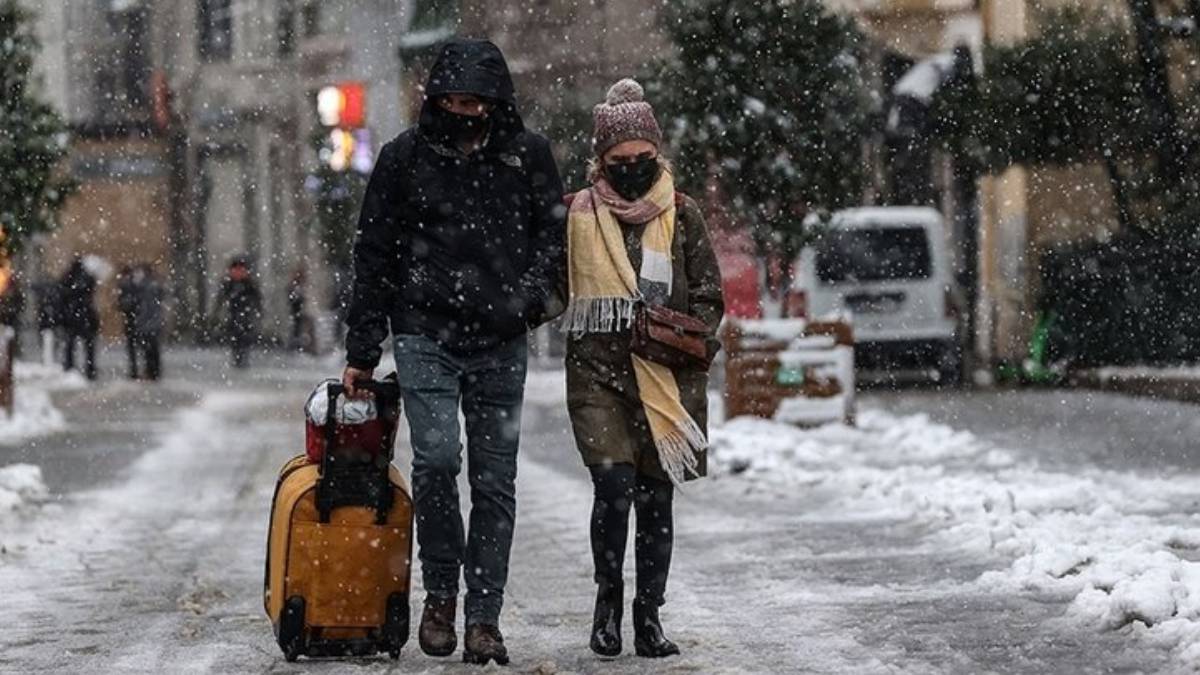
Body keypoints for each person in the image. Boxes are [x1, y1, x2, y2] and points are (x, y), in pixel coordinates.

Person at [341, 38, 565, 666]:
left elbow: (553, 236)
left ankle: (484, 616)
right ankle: (440, 592)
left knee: (495, 480)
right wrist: (363, 345)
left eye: (478, 102)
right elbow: (374, 254)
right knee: (436, 459)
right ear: (435, 98)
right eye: (455, 101)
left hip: (500, 337)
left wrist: (524, 299)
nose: (465, 113)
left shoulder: (528, 157)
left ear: (498, 103)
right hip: (424, 333)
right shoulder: (402, 160)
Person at [557, 79, 724, 659]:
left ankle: (648, 614)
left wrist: (683, 336)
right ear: (599, 161)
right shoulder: (576, 217)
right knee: (613, 486)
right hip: (598, 375)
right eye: (619, 161)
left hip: (666, 376)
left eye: (642, 160)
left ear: (658, 155)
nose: (632, 169)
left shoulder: (682, 213)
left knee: (656, 498)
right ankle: (608, 602)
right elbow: (556, 290)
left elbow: (709, 294)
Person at [59, 256, 100, 381]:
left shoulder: (69, 277)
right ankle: (89, 369)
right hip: (83, 316)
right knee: (87, 345)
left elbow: (62, 294)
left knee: (72, 344)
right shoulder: (85, 278)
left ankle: (71, 367)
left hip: (73, 316)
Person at [216, 257, 261, 369]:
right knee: (235, 337)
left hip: (245, 315)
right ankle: (237, 357)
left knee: (245, 337)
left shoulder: (248, 284)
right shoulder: (229, 283)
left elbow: (257, 298)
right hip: (234, 314)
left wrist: (258, 310)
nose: (238, 273)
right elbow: (221, 297)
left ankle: (243, 357)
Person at [131, 264, 164, 380]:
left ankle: (152, 372)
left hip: (149, 323)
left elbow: (146, 307)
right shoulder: (152, 285)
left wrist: (140, 320)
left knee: (149, 349)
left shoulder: (146, 287)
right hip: (153, 322)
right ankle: (154, 372)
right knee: (152, 349)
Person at [116, 266, 139, 378]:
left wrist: (121, 305)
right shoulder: (134, 284)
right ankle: (136, 370)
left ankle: (134, 370)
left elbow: (126, 303)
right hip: (136, 319)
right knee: (136, 346)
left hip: (133, 320)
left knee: (132, 347)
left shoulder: (126, 285)